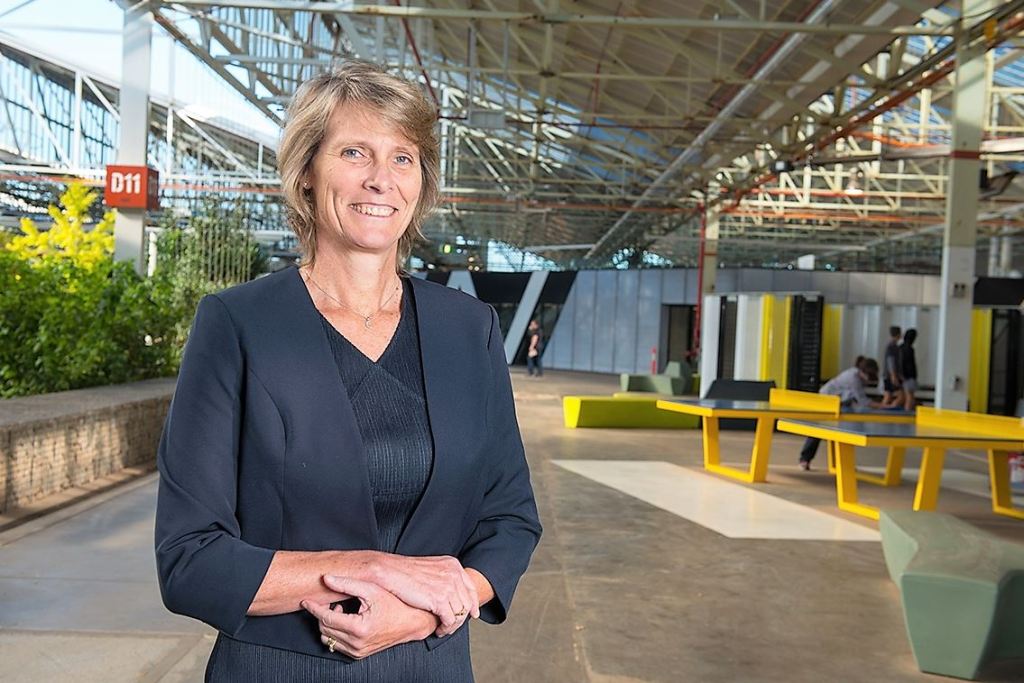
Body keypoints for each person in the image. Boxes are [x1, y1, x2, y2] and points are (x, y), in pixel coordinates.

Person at [154, 61, 542, 682]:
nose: (380, 179)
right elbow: (189, 559)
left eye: (403, 158)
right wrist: (374, 569)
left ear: (422, 182)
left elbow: (511, 518)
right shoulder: (238, 324)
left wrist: (421, 613)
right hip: (277, 670)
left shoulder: (468, 329)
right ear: (307, 173)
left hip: (429, 665)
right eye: (355, 152)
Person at [798, 356, 883, 471]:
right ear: (863, 372)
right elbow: (863, 401)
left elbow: (854, 399)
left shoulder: (858, 376)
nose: (869, 381)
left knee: (846, 430)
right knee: (818, 430)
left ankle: (842, 462)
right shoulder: (853, 378)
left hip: (841, 402)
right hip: (826, 400)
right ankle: (805, 459)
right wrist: (885, 406)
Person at [899, 328, 919, 411]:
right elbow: (909, 364)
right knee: (910, 396)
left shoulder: (900, 347)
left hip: (902, 375)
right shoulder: (909, 349)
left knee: (905, 396)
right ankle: (907, 412)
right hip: (909, 376)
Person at [882, 325, 902, 406]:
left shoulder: (892, 346)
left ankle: (883, 410)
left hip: (888, 375)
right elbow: (891, 362)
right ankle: (888, 408)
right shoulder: (892, 346)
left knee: (888, 395)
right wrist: (893, 375)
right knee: (901, 395)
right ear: (899, 334)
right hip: (890, 375)